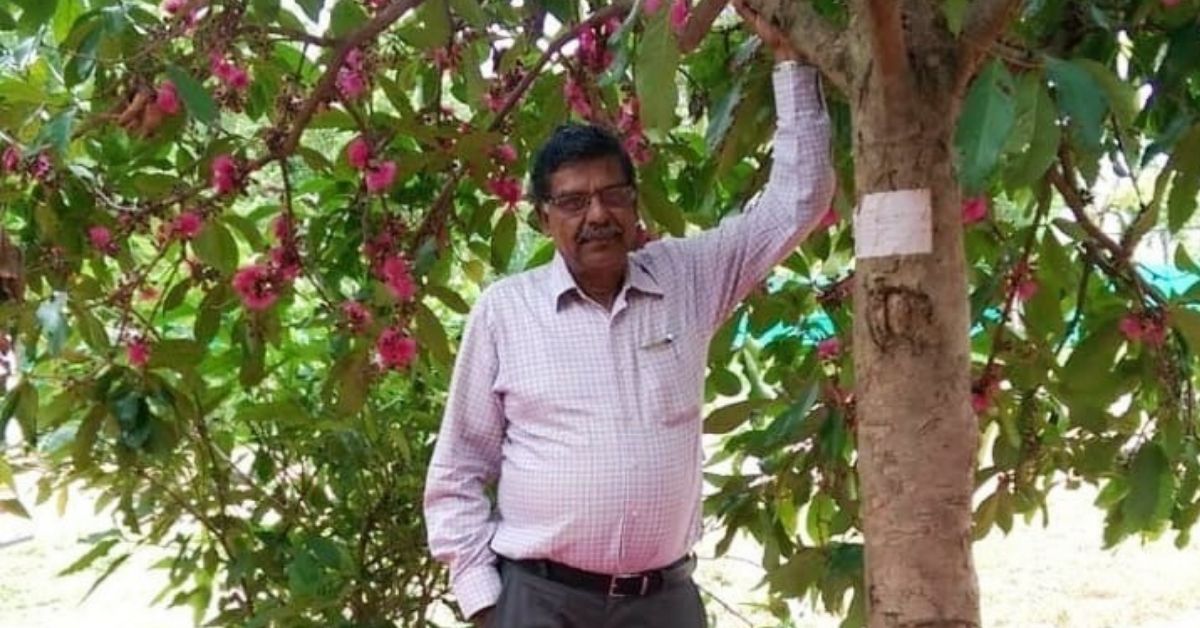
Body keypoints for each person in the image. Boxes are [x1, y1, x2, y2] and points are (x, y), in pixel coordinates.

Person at [423, 5, 834, 626]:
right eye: (573, 201)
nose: (597, 215)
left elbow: (798, 200)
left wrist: (789, 61)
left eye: (613, 195)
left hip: (663, 603)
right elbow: (457, 471)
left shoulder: (688, 279)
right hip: (539, 601)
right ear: (543, 217)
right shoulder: (505, 311)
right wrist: (487, 606)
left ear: (635, 205)